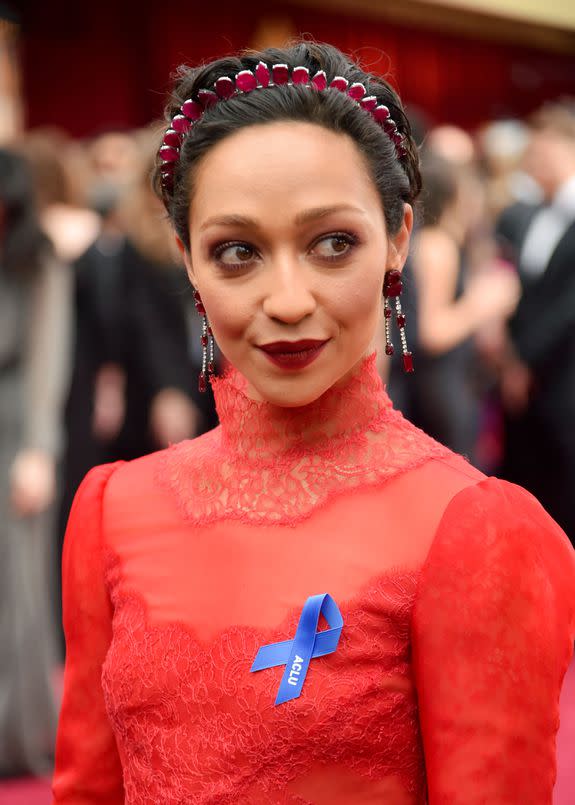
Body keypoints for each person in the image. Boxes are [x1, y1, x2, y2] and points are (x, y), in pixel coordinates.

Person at [52, 43, 575, 803]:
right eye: (237, 252)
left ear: (397, 237)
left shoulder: (472, 528)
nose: (288, 299)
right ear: (186, 261)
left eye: (333, 243)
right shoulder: (115, 510)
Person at [0, 148, 71, 776]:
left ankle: (19, 738)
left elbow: (49, 358)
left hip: (17, 434)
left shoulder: (36, 258)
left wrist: (39, 451)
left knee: (18, 594)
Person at [497, 101, 575, 544]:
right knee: (528, 483)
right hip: (518, 378)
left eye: (543, 154)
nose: (534, 162)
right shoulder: (523, 215)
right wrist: (510, 362)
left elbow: (568, 308)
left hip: (564, 376)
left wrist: (525, 361)